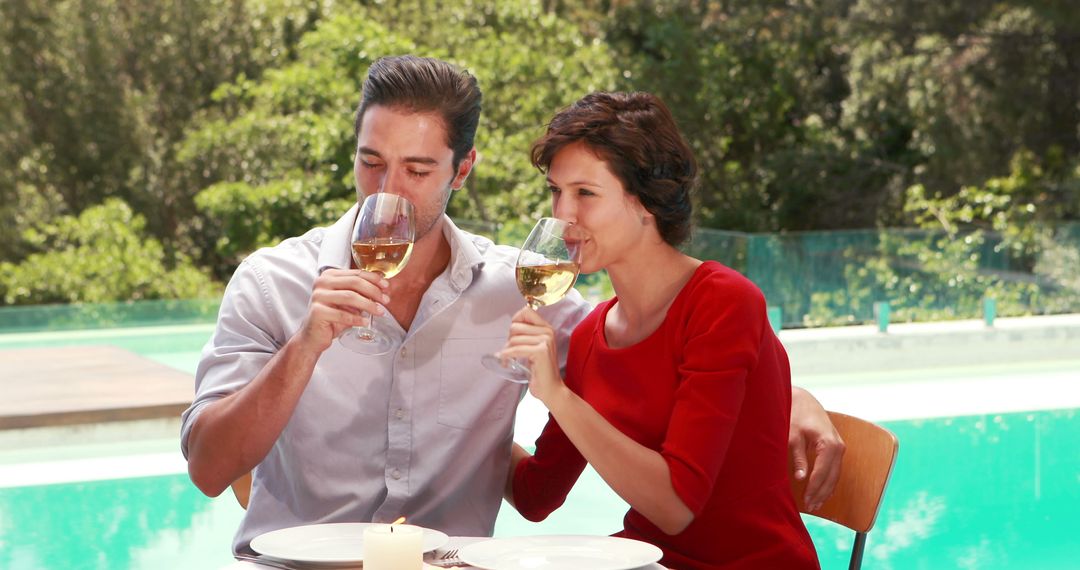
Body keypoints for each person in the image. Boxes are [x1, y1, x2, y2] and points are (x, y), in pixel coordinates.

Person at [180, 55, 842, 555]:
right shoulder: (272, 283)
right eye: (370, 163)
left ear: (462, 170)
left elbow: (669, 357)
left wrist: (791, 397)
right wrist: (304, 347)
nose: (385, 191)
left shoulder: (522, 291)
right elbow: (210, 471)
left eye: (416, 170)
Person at [500, 91, 820, 568]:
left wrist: (559, 396)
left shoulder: (722, 303)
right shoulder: (591, 334)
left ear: (646, 201)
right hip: (646, 561)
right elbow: (535, 495)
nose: (562, 214)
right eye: (555, 190)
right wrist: (460, 406)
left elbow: (676, 507)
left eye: (585, 193)